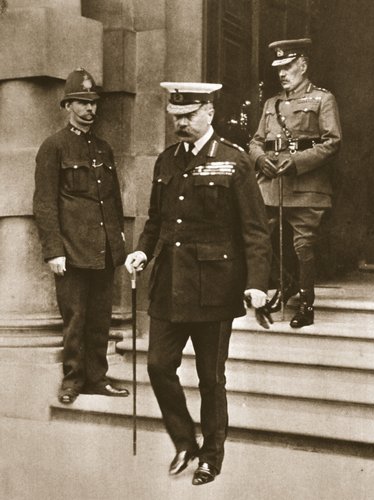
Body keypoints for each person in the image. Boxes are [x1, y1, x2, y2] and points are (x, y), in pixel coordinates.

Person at [125, 82, 272, 485]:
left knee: (211, 379)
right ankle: (184, 442)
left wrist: (258, 282)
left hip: (214, 290)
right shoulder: (166, 161)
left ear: (209, 111)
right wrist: (142, 250)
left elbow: (256, 231)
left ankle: (212, 455)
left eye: (188, 116)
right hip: (169, 284)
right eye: (176, 118)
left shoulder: (234, 161)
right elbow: (156, 220)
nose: (181, 124)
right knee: (158, 366)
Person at [33, 68, 129, 404]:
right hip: (71, 251)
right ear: (67, 105)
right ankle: (73, 380)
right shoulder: (54, 147)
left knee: (100, 318)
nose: (90, 109)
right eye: (82, 103)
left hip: (102, 250)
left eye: (93, 103)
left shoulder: (103, 148)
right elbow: (44, 204)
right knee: (75, 318)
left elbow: (113, 200)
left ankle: (97, 378)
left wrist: (117, 244)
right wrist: (53, 250)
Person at [249, 38, 342, 328]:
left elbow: (332, 142)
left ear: (303, 65)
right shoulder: (271, 103)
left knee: (303, 246)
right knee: (261, 239)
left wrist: (299, 162)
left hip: (306, 186)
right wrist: (259, 158)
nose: (282, 73)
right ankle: (283, 287)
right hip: (271, 184)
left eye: (288, 66)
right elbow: (255, 140)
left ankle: (305, 304)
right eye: (279, 67)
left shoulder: (322, 99)